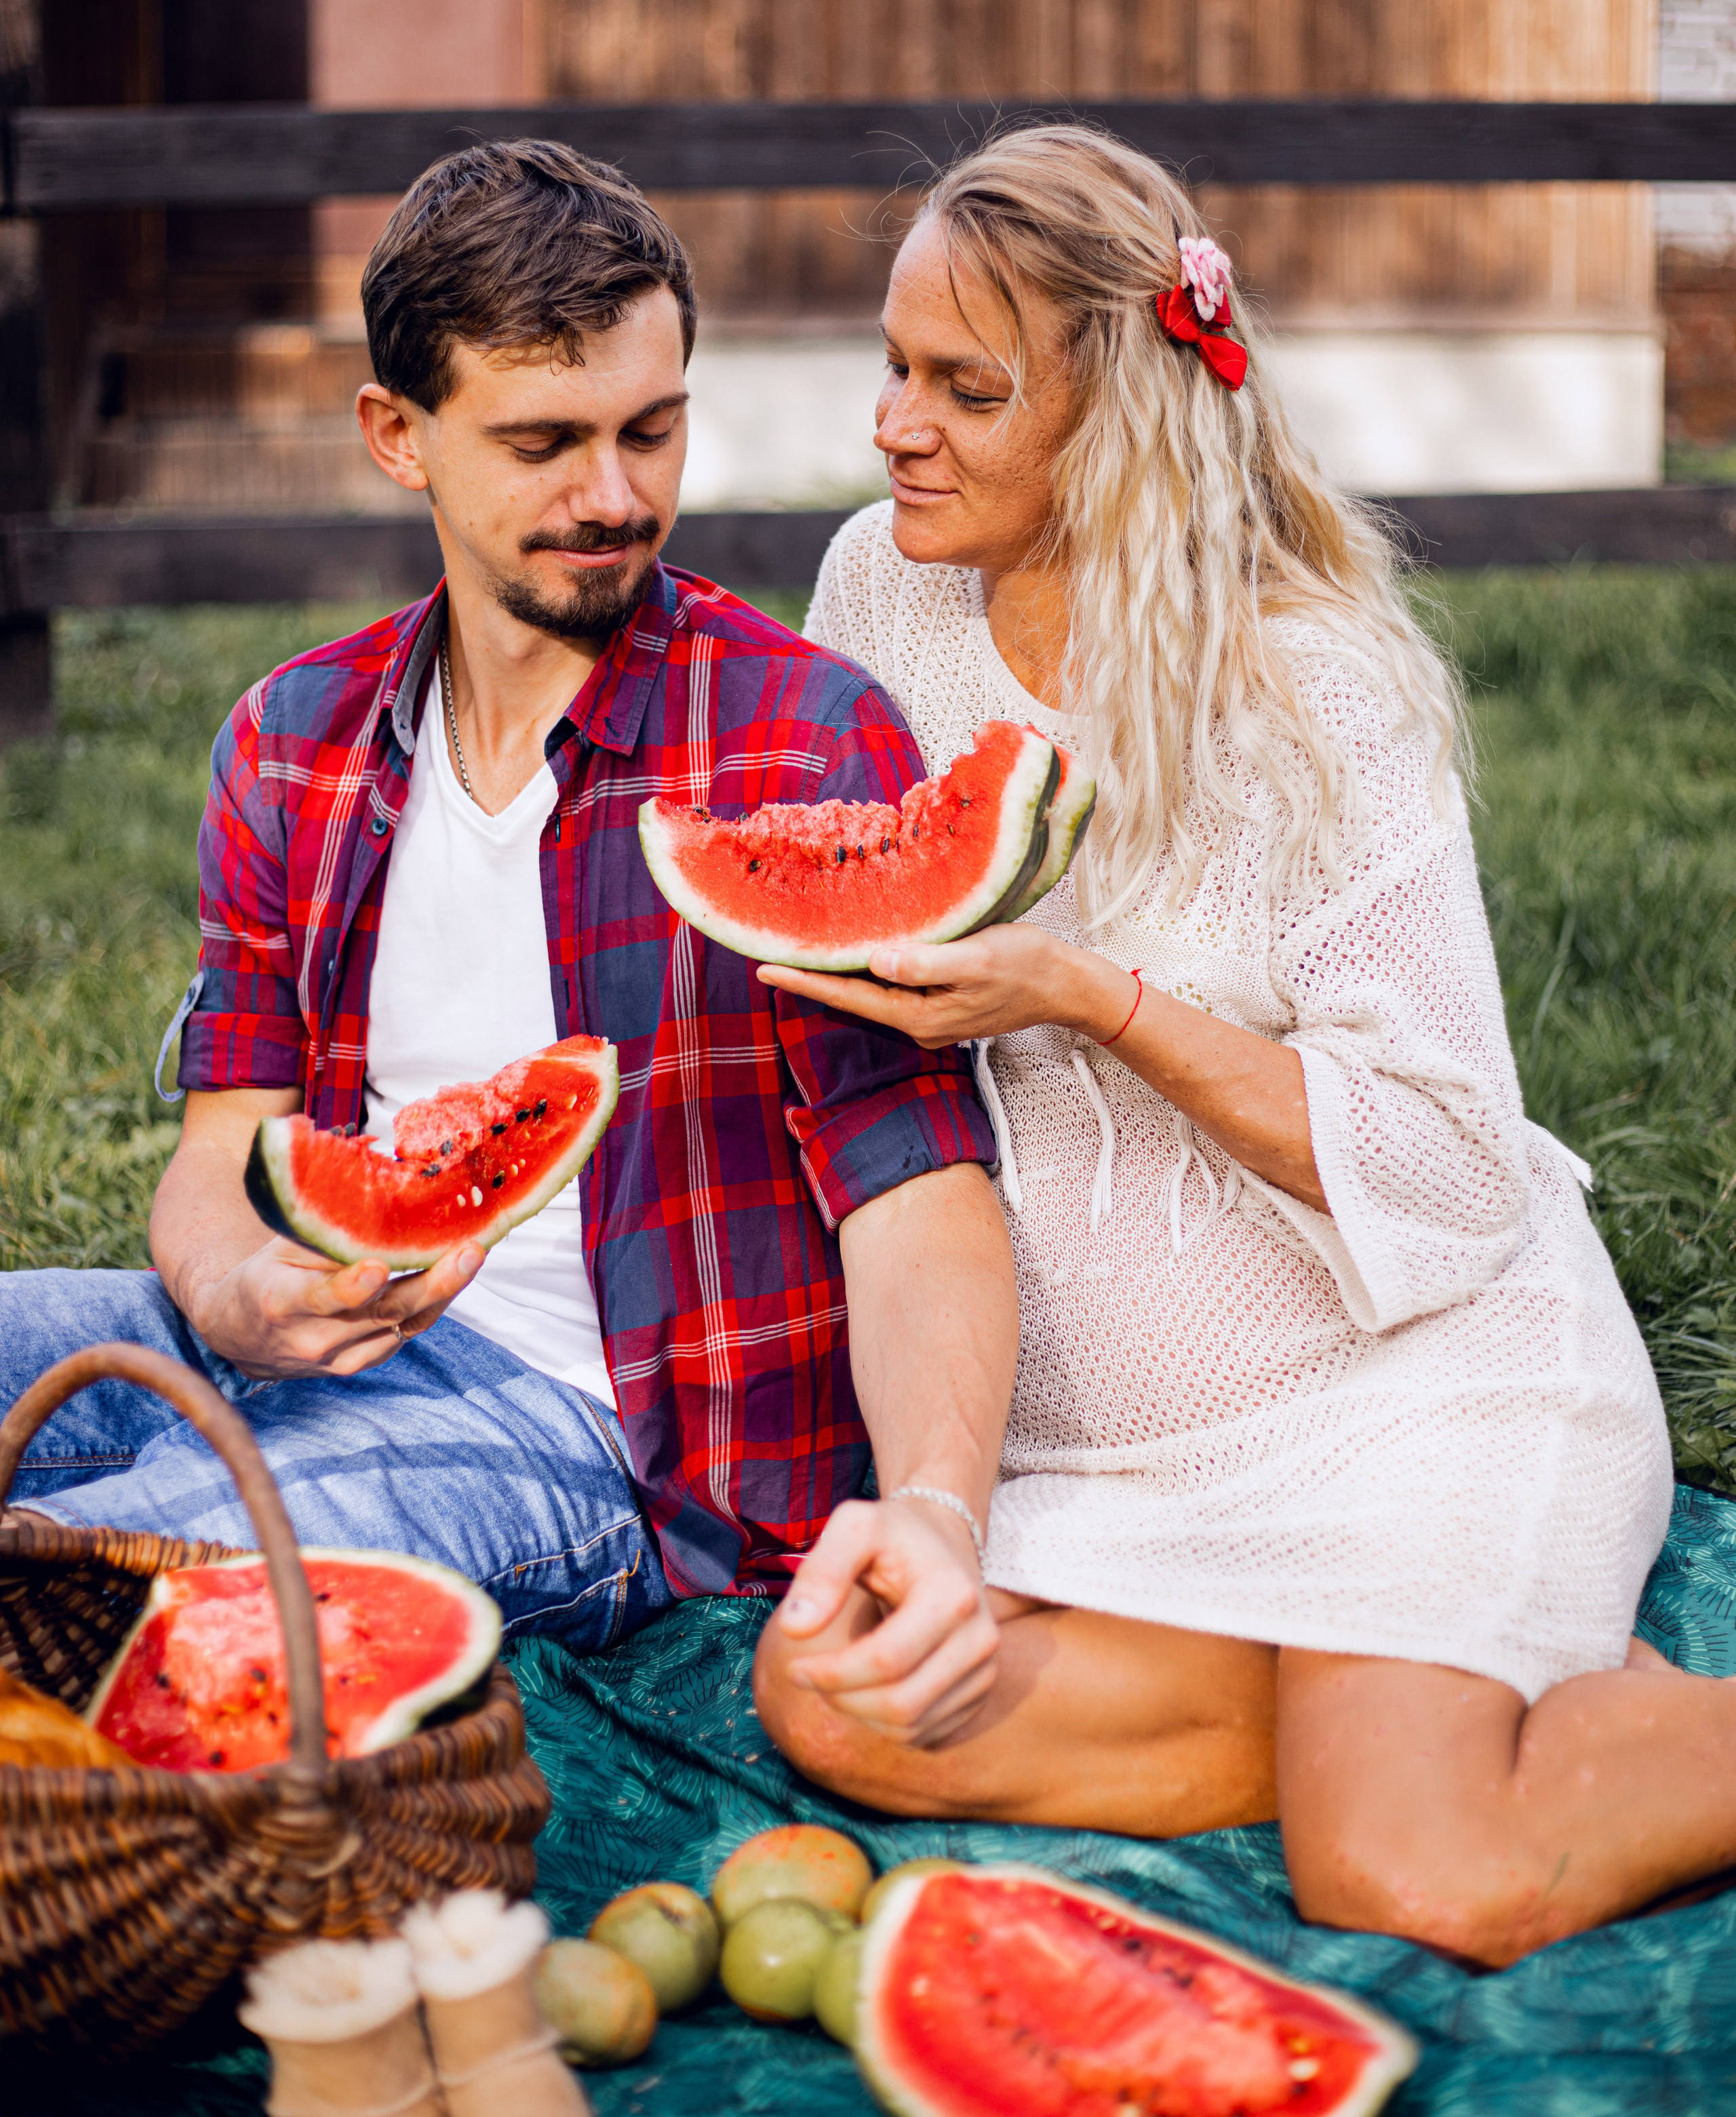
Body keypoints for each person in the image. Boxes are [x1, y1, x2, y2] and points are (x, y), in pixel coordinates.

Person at [749, 122, 1728, 1971]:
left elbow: (1444, 1168)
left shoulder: (1312, 690)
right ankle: (1482, 1688)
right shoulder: (882, 590)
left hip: (1413, 1383)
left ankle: (1456, 1701)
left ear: (1118, 408)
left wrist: (1091, 995)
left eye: (965, 387)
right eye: (894, 366)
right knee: (833, 1699)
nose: (896, 427)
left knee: (1421, 1875)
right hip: (1102, 1478)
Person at [0, 140, 1017, 1671]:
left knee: (125, 1586)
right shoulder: (294, 742)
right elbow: (228, 1144)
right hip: (306, 1348)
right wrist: (233, 1287)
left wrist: (937, 1505)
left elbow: (914, 1184)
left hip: (609, 1439)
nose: (613, 497)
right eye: (544, 442)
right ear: (396, 436)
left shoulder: (798, 741)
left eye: (651, 432)